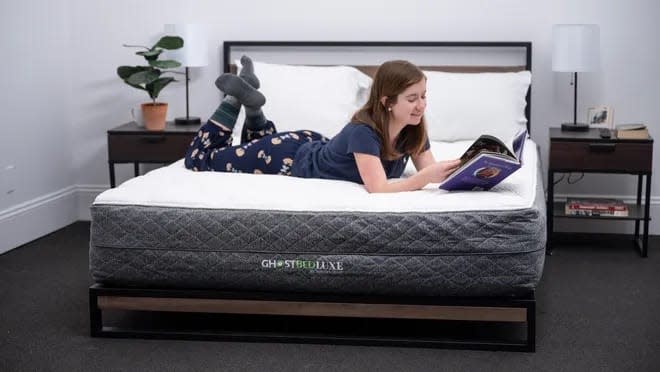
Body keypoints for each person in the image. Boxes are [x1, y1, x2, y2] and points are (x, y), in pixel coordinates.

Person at [184, 56, 461, 193]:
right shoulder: (364, 132)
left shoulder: (413, 130)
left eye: (423, 96)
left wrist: (471, 170)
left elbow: (434, 173)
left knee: (245, 151)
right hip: (287, 157)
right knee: (198, 160)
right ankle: (235, 98)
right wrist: (423, 178)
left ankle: (253, 106)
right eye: (412, 98)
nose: (421, 105)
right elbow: (378, 188)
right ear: (388, 102)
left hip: (311, 143)